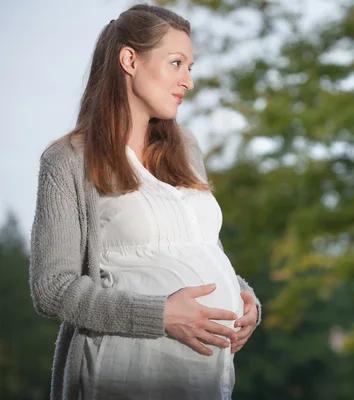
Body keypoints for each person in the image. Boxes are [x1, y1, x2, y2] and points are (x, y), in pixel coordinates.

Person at [29, 4, 261, 399]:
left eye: (190, 67)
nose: (187, 81)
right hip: (121, 375)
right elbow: (52, 288)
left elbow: (201, 246)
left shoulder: (185, 148)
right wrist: (161, 315)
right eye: (176, 63)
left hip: (201, 378)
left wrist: (243, 296)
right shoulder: (68, 161)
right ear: (130, 59)